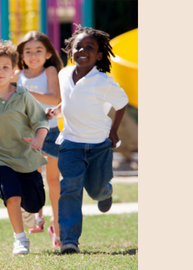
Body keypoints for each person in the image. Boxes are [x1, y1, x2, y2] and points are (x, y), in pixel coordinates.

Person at [50, 24, 128, 254]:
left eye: (89, 47)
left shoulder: (103, 82)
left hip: (99, 146)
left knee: (95, 190)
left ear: (99, 55)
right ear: (70, 50)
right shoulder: (64, 74)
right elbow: (71, 101)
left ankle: (105, 192)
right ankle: (69, 241)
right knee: (70, 187)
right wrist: (57, 111)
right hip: (71, 143)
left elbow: (121, 104)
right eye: (78, 46)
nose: (83, 50)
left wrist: (114, 131)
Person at [0, 41, 49, 256]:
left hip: (26, 158)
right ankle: (20, 239)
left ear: (14, 72)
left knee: (34, 204)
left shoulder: (24, 97)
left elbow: (41, 122)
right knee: (11, 196)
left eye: (5, 67)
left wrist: (38, 140)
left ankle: (30, 212)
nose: (0, 71)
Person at [11, 31, 64, 249]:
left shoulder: (50, 71)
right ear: (21, 56)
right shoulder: (16, 75)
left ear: (48, 53)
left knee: (53, 181)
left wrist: (27, 92)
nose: (33, 56)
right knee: (33, 180)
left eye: (38, 51)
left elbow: (55, 98)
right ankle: (36, 217)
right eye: (28, 52)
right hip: (26, 136)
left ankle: (58, 227)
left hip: (50, 134)